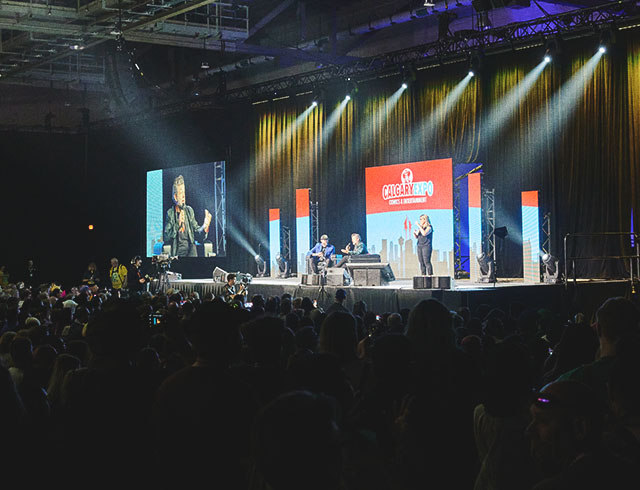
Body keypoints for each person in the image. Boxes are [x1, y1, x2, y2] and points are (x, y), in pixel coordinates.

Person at [527, 380, 638, 489]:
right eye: (532, 419)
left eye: (543, 421)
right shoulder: (632, 474)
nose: (529, 430)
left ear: (580, 428)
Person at [163, 174, 212, 257]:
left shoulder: (189, 211)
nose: (183, 196)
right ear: (175, 197)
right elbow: (166, 237)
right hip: (177, 254)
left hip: (191, 252)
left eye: (184, 193)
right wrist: (177, 225)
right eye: (181, 193)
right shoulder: (170, 213)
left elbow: (197, 234)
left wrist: (204, 226)